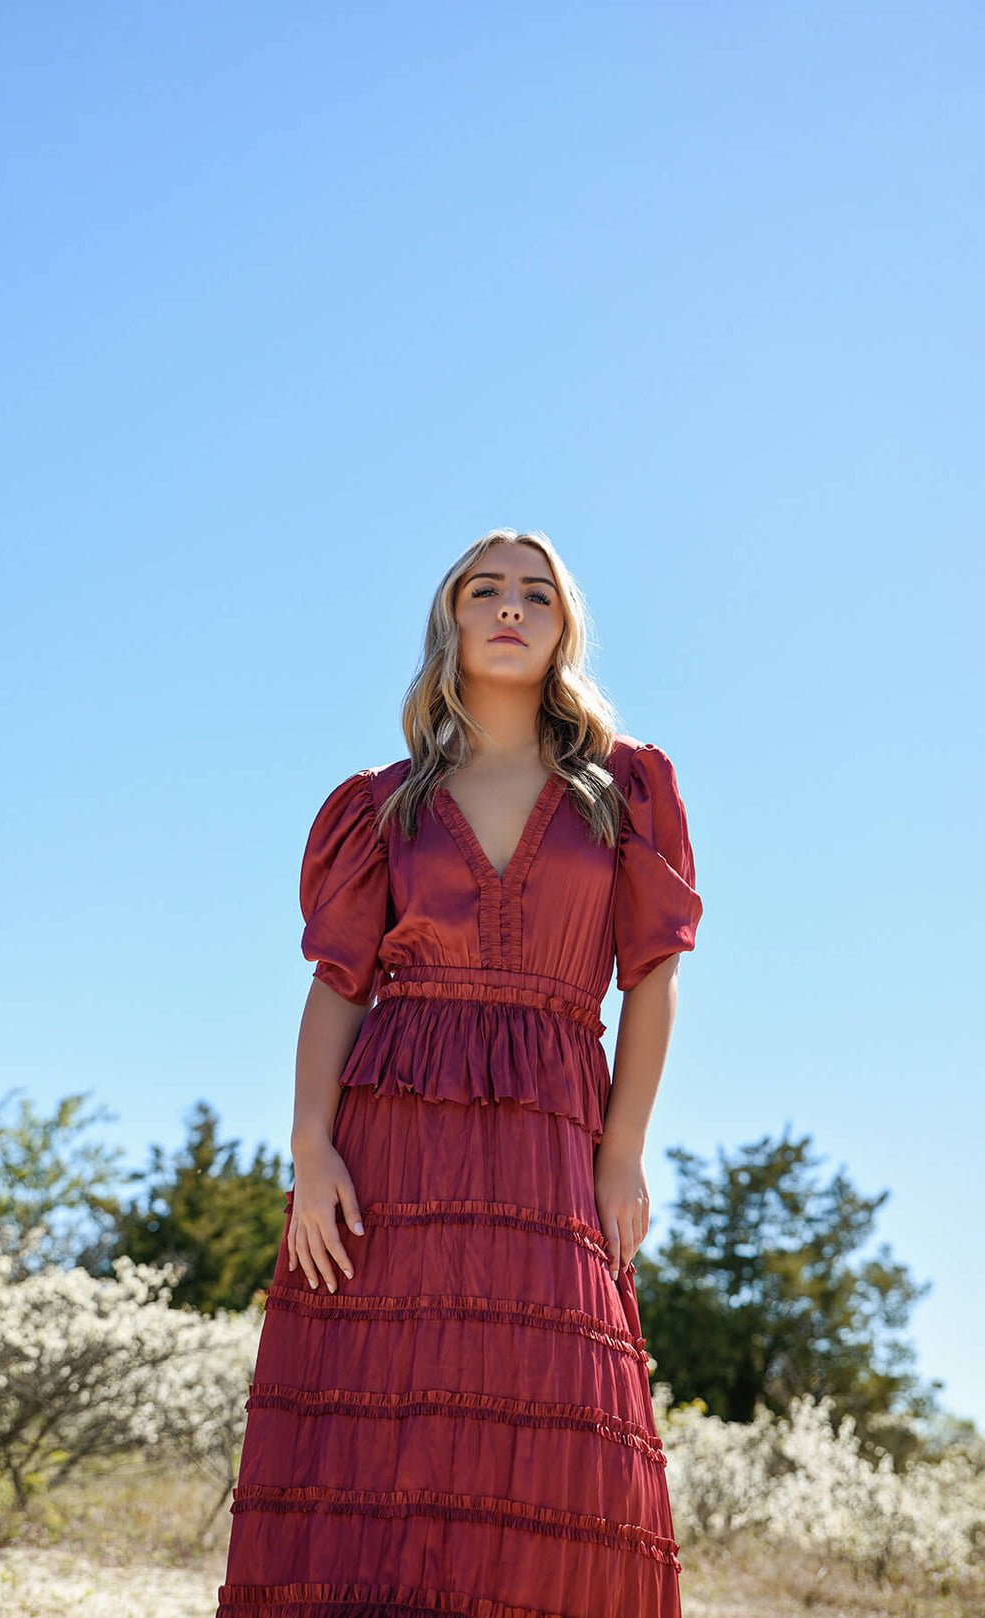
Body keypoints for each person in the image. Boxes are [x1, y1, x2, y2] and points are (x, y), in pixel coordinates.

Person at [217, 527, 704, 1618]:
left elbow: (655, 979)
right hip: (393, 1137)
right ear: (450, 622)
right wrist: (311, 1145)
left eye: (536, 593)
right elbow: (339, 984)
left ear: (563, 628)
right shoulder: (382, 803)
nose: (509, 607)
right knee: (377, 1417)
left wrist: (622, 1153)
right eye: (484, 589)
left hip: (550, 1134)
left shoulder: (621, 792)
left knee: (568, 1419)